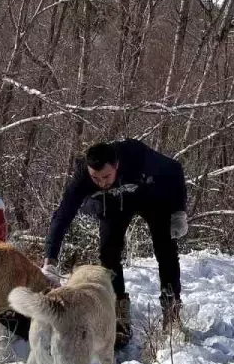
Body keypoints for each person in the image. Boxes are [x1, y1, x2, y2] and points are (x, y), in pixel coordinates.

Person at [42, 139, 189, 346]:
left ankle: (171, 310)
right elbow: (62, 216)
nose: (101, 182)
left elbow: (175, 169)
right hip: (112, 205)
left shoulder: (136, 154)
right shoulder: (83, 176)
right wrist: (50, 261)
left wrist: (179, 211)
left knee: (165, 249)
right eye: (96, 178)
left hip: (151, 197)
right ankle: (120, 313)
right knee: (108, 254)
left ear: (117, 165)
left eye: (106, 176)